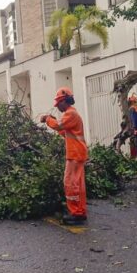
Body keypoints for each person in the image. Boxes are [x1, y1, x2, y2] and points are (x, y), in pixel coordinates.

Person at [40, 88, 88, 225]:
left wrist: (48, 119)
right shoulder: (72, 114)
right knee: (78, 183)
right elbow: (65, 132)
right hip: (77, 152)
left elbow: (59, 126)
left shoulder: (70, 113)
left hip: (75, 153)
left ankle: (76, 213)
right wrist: (53, 121)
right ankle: (80, 211)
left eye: (58, 104)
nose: (57, 107)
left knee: (70, 183)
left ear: (63, 101)